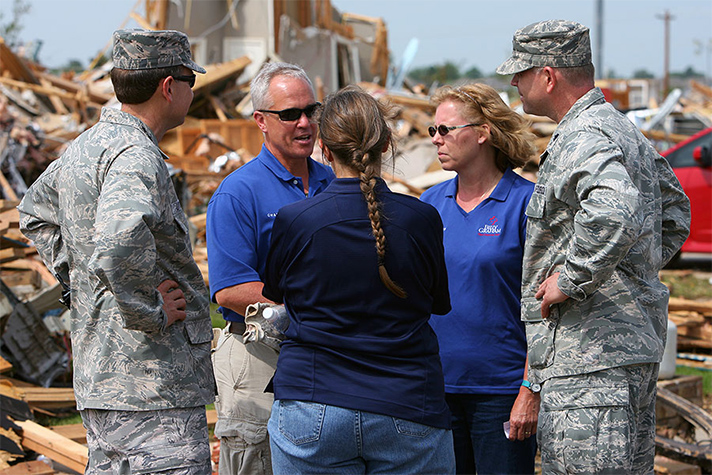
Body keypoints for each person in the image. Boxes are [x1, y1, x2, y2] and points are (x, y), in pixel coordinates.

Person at [496, 20, 691, 474]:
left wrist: (574, 278)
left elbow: (616, 208)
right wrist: (630, 275)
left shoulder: (584, 136)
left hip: (590, 362)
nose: (514, 83)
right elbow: (673, 211)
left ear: (548, 76)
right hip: (628, 350)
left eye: (521, 73)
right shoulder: (619, 128)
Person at [18, 29, 215, 474]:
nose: (191, 90)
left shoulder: (85, 147)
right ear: (169, 87)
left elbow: (34, 213)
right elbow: (118, 241)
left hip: (102, 386)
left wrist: (85, 285)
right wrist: (148, 308)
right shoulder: (135, 156)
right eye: (190, 80)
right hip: (152, 390)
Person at [262, 86, 455, 474]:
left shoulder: (296, 220)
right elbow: (437, 304)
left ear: (325, 149)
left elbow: (275, 295)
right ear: (386, 144)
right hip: (407, 402)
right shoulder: (421, 219)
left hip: (313, 401)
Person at [206, 62, 335, 475]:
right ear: (260, 121)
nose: (304, 123)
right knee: (256, 462)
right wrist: (313, 308)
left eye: (311, 111)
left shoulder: (333, 182)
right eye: (290, 114)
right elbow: (229, 290)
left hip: (324, 353)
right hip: (257, 355)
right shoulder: (238, 193)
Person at [420, 83, 538, 474]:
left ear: (484, 132)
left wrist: (529, 390)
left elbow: (543, 309)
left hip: (501, 393)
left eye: (446, 130)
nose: (436, 140)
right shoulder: (429, 205)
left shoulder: (526, 204)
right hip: (437, 390)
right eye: (432, 130)